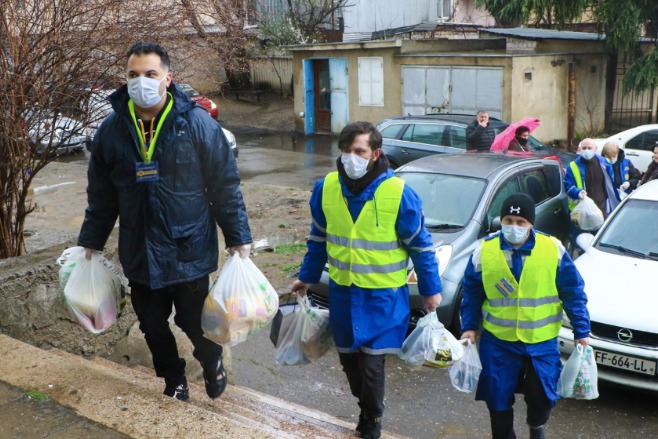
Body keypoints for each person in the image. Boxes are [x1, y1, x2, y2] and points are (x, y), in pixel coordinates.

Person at [77, 42, 252, 402]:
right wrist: (90, 242)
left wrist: (238, 238)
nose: (141, 81)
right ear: (124, 79)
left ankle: (211, 361)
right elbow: (102, 197)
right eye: (133, 75)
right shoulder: (111, 131)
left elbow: (224, 186)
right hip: (139, 249)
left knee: (194, 323)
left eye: (150, 74)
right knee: (152, 326)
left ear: (168, 78)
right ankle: (174, 379)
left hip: (187, 247)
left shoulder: (197, 124)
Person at [291, 121, 442, 439]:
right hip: (344, 296)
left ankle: (372, 419)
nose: (350, 158)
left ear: (376, 153)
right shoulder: (326, 188)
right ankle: (366, 407)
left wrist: (430, 290)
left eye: (358, 151)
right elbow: (318, 239)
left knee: (372, 365)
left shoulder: (399, 193)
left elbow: (421, 246)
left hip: (382, 298)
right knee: (349, 362)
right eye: (345, 151)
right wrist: (306, 277)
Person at [460, 193, 591, 439]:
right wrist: (469, 326)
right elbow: (472, 291)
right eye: (508, 220)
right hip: (499, 342)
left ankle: (536, 425)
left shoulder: (552, 249)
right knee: (496, 397)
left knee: (542, 395)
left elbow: (572, 291)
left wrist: (581, 330)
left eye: (521, 222)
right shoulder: (485, 250)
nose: (514, 227)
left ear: (531, 223)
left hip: (540, 342)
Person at [564, 138, 620, 240]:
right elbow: (568, 186)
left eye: (589, 148)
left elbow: (611, 184)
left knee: (599, 238)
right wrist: (578, 192)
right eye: (584, 148)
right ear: (580, 149)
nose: (586, 150)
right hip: (581, 209)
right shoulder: (573, 166)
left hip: (601, 208)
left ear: (595, 149)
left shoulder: (604, 164)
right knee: (581, 239)